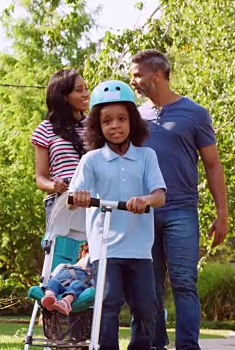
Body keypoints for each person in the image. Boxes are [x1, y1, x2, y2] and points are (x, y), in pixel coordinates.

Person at [129, 49, 229, 350]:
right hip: (145, 212)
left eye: (137, 75)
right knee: (149, 286)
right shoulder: (135, 116)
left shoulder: (195, 113)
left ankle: (188, 346)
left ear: (157, 74)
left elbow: (212, 164)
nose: (133, 81)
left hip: (182, 210)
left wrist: (222, 212)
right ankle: (152, 344)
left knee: (184, 282)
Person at [69, 80, 167, 350]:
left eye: (121, 119)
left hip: (139, 248)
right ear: (98, 127)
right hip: (105, 246)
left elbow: (160, 196)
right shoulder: (92, 160)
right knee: (108, 302)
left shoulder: (147, 156)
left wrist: (144, 199)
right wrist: (80, 198)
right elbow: (72, 198)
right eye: (107, 121)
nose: (115, 126)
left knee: (146, 306)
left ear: (132, 122)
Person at [31, 69, 90, 222]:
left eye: (86, 89)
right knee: (61, 246)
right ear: (64, 96)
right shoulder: (45, 129)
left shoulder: (95, 126)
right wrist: (54, 186)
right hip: (61, 202)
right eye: (79, 90)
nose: (86, 94)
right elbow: (40, 178)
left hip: (93, 201)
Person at [41, 242, 93, 316]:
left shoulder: (90, 276)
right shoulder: (63, 266)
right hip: (60, 287)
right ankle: (50, 297)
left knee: (78, 284)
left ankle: (65, 302)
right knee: (53, 281)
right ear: (84, 253)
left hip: (75, 291)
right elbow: (52, 279)